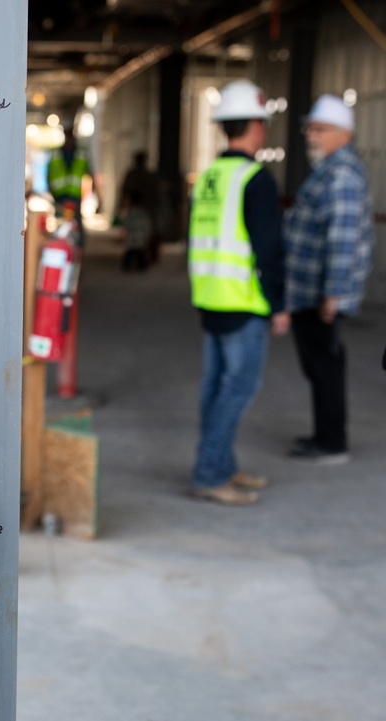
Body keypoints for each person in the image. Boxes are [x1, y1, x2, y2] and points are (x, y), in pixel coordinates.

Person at [186, 80, 290, 505]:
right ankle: (210, 473)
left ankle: (222, 465)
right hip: (245, 301)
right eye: (262, 123)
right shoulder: (255, 179)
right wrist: (278, 304)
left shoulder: (210, 175)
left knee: (215, 389)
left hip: (210, 296)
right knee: (238, 389)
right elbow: (269, 249)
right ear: (253, 127)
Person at [283, 94, 374, 464]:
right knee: (320, 365)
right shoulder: (330, 170)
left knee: (325, 365)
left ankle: (332, 443)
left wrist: (332, 294)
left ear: (343, 134)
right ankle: (324, 434)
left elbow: (342, 238)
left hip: (320, 292)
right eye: (310, 128)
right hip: (309, 289)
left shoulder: (340, 177)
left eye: (319, 130)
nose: (311, 136)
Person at [47, 125, 100, 245]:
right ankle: (61, 245)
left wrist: (94, 191)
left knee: (76, 224)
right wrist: (52, 192)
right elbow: (49, 174)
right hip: (60, 195)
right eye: (68, 135)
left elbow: (89, 172)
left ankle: (77, 248)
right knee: (60, 223)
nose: (70, 139)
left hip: (74, 195)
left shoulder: (81, 153)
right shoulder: (56, 153)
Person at [119, 151, 162, 264]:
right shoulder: (140, 175)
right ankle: (144, 256)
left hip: (144, 207)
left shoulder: (140, 175)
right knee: (143, 231)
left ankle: (148, 256)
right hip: (143, 207)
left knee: (147, 232)